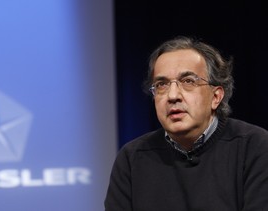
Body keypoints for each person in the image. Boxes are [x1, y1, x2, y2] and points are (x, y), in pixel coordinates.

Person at [104, 36, 268, 210]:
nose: (173, 95)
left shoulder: (254, 147)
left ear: (216, 97)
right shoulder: (132, 158)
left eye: (188, 81)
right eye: (161, 85)